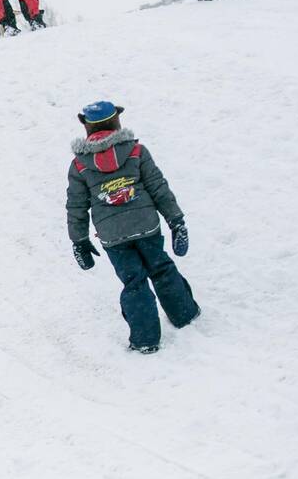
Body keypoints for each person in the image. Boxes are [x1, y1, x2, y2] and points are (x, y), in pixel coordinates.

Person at [65, 101, 200, 354]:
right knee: (161, 268)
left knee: (134, 282)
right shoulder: (136, 151)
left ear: (86, 126)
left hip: (113, 236)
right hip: (146, 225)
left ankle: (145, 339)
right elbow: (159, 188)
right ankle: (185, 314)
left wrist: (79, 240)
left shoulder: (80, 165)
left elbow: (77, 206)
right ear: (117, 121)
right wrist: (176, 220)